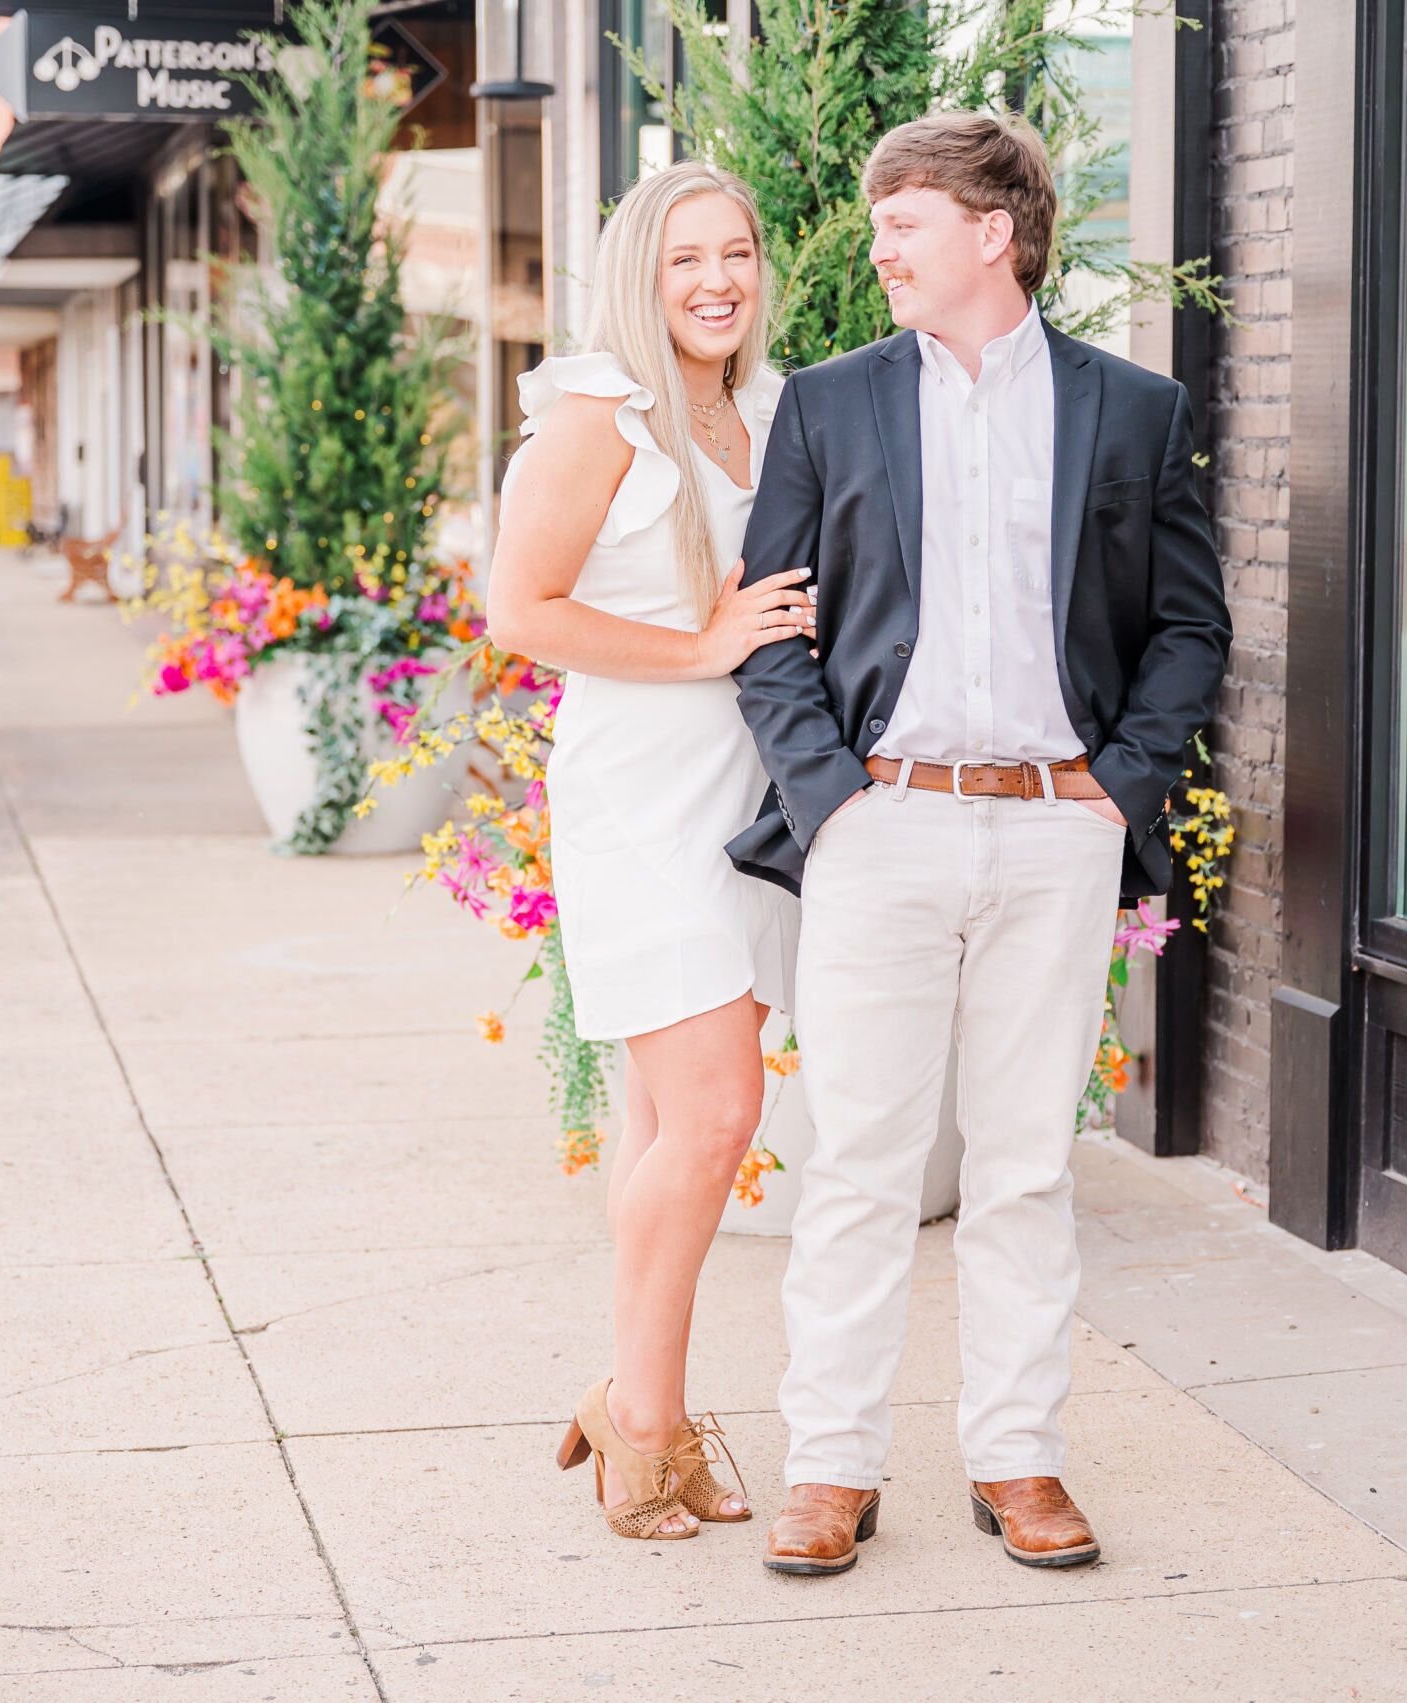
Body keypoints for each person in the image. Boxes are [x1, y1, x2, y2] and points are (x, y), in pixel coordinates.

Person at [729, 112, 1232, 1576]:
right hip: (883, 824)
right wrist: (835, 806)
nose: (878, 244)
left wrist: (1117, 790)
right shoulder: (828, 405)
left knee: (1022, 1167)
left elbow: (1189, 624)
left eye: (906, 220)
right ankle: (830, 1463)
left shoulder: (1132, 411)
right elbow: (773, 631)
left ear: (993, 235)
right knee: (863, 1162)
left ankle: (1018, 1458)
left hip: (1054, 835)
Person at [484, 161, 815, 1542]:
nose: (716, 281)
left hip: (748, 798)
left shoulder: (771, 408)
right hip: (641, 800)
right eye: (686, 259)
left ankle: (641, 1398)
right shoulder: (596, 416)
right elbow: (518, 609)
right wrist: (699, 648)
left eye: (735, 253)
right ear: (640, 271)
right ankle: (644, 1425)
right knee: (721, 1118)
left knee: (664, 1122)